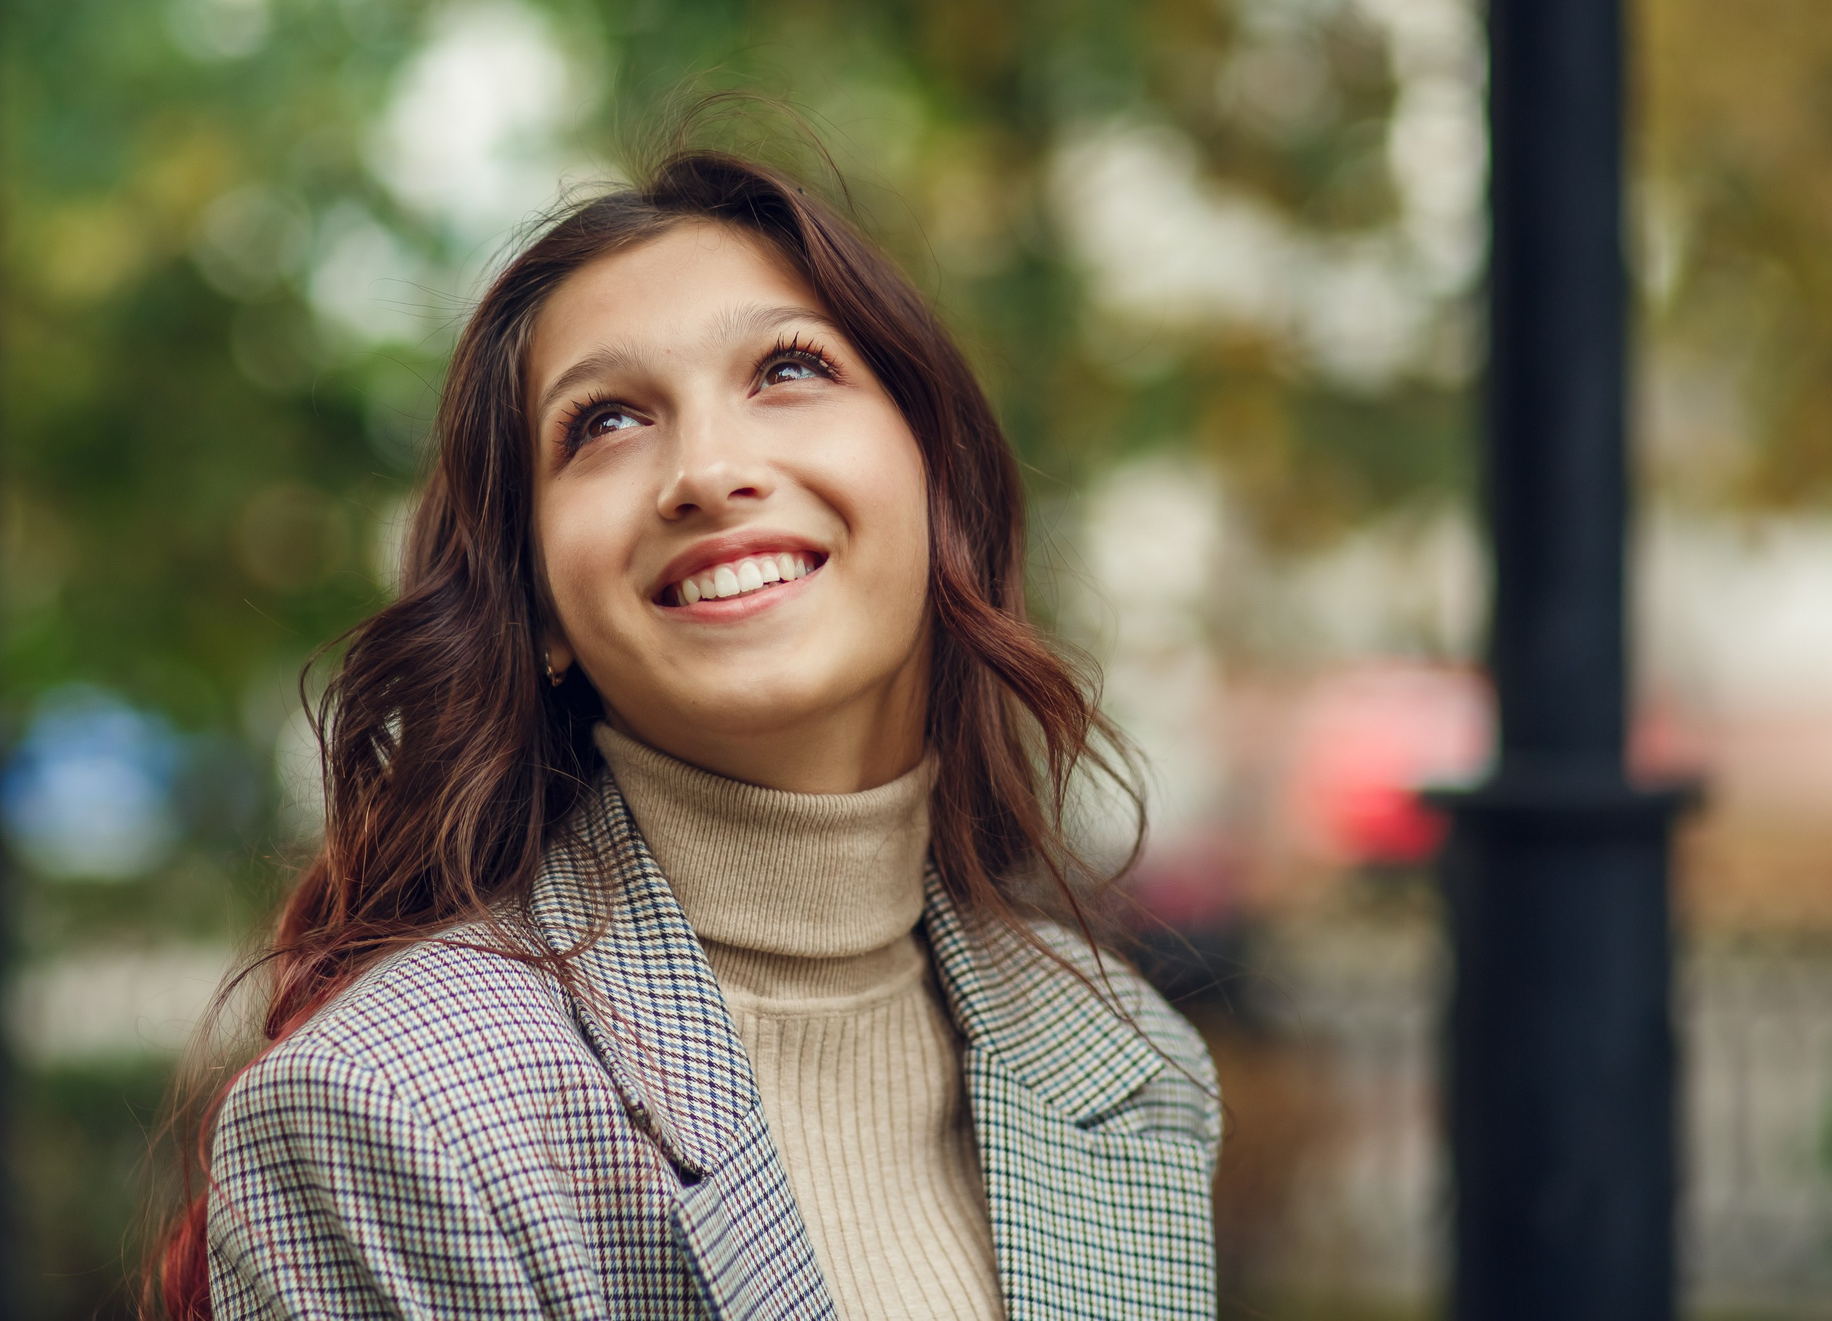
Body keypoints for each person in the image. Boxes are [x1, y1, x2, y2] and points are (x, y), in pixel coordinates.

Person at [161, 144, 1219, 1320]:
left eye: (787, 368)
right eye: (604, 422)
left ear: (941, 491)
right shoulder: (393, 1106)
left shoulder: (1125, 1053)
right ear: (541, 612)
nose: (708, 473)